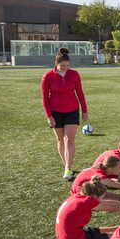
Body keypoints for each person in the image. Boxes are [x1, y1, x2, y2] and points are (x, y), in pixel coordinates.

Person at [41, 47, 88, 180]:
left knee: (69, 140)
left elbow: (79, 92)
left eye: (67, 65)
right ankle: (67, 165)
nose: (65, 68)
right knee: (60, 141)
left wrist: (84, 110)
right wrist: (48, 116)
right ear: (56, 64)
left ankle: (68, 168)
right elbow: (44, 98)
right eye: (62, 66)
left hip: (72, 110)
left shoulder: (74, 74)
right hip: (55, 111)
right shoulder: (47, 76)